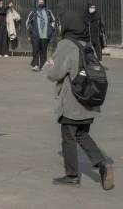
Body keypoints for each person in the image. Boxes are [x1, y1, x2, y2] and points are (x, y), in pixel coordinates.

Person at [44, 11, 114, 190]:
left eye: (60, 23)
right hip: (88, 99)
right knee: (82, 134)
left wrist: (49, 66)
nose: (59, 26)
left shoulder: (66, 44)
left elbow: (55, 73)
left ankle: (72, 176)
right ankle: (103, 165)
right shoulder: (86, 43)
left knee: (68, 137)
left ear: (67, 24)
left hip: (72, 100)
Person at [26, 0, 56, 72]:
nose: (41, 3)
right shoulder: (33, 12)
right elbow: (27, 22)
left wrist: (51, 29)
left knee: (43, 51)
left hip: (45, 35)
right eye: (40, 2)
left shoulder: (48, 11)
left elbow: (53, 21)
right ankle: (36, 65)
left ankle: (43, 65)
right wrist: (32, 30)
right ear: (37, 3)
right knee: (36, 49)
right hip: (36, 35)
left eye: (42, 2)